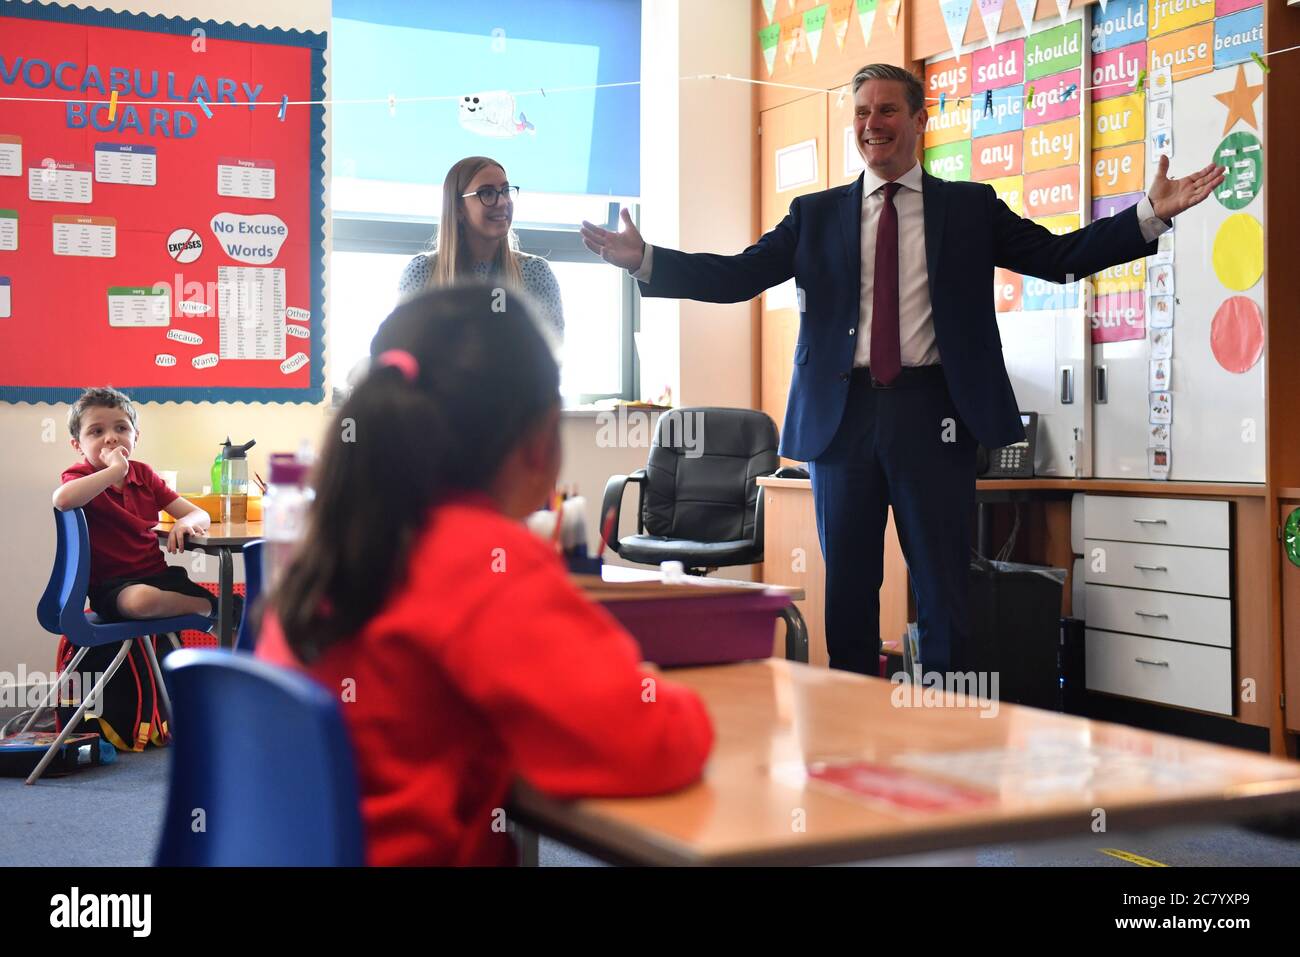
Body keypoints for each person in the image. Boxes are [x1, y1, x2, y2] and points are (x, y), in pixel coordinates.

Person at [579, 63, 1224, 678]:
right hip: (842, 419)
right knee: (849, 594)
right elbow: (738, 276)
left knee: (945, 589)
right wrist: (647, 262)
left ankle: (945, 745)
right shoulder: (816, 215)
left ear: (919, 120)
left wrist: (1148, 215)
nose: (872, 124)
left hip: (935, 413)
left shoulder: (969, 208)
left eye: (887, 109)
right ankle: (853, 737)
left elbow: (1060, 258)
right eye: (861, 113)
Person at [257, 285, 712, 866]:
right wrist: (668, 696)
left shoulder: (337, 539)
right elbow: (653, 744)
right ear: (541, 438)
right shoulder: (482, 558)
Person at [54, 386, 215, 623]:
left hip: (159, 576)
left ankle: (219, 619)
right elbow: (62, 500)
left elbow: (200, 514)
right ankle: (203, 608)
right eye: (96, 431)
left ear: (135, 437)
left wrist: (185, 522)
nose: (111, 437)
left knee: (232, 617)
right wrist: (116, 470)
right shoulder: (81, 476)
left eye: (121, 428)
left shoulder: (144, 475)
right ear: (78, 445)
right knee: (141, 601)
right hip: (113, 587)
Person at [397, 155, 565, 340]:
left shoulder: (535, 272)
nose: (502, 202)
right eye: (487, 193)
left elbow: (551, 356)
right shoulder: (423, 273)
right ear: (459, 208)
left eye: (505, 191)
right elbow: (403, 351)